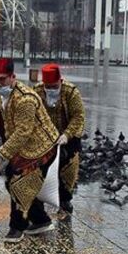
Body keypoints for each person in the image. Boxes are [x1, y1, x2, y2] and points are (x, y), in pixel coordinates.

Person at [0, 57, 60, 243]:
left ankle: (17, 228)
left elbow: (23, 133)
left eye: (1, 79)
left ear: (12, 77)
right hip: (24, 147)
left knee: (19, 183)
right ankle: (40, 220)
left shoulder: (25, 99)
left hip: (42, 147)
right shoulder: (2, 96)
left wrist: (1, 153)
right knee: (18, 183)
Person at [33, 63, 85, 213]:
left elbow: (78, 116)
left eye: (54, 86)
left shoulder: (71, 92)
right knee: (41, 168)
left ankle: (65, 199)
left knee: (67, 169)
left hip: (68, 136)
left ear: (60, 81)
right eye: (47, 87)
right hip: (45, 137)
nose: (50, 90)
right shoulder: (36, 91)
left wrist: (67, 135)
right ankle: (40, 199)